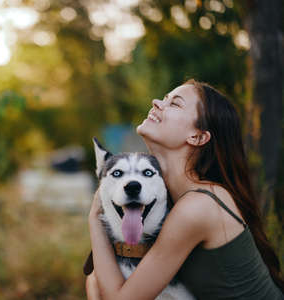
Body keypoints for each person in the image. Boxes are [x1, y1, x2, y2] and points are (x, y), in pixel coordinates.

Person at [86, 79, 284, 299]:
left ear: (197, 136)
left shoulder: (197, 207)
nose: (157, 103)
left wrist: (95, 217)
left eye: (175, 103)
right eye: (165, 98)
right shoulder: (168, 197)